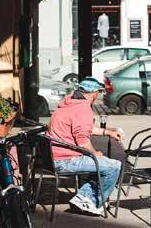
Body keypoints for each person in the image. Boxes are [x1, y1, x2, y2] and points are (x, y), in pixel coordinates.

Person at [48, 78, 122, 215]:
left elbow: (85, 128)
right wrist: (94, 153)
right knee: (114, 166)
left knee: (102, 164)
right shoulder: (82, 109)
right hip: (65, 161)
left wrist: (108, 132)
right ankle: (90, 201)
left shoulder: (69, 103)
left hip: (52, 158)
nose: (98, 96)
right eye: (98, 93)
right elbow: (83, 142)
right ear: (94, 93)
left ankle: (83, 197)